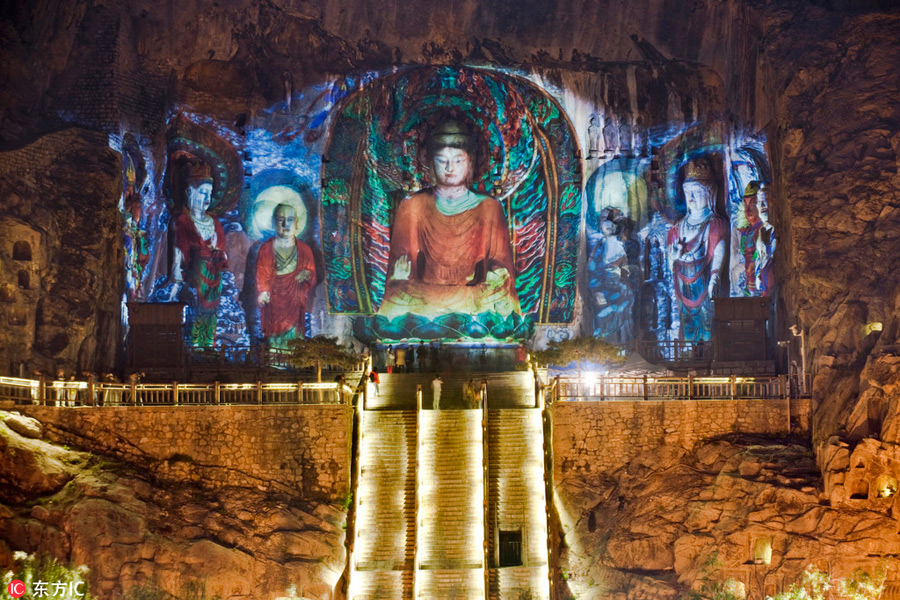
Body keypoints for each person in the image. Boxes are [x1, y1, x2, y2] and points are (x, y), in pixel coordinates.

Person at [377, 119, 520, 321]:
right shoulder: (412, 206)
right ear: (429, 163)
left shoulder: (490, 208)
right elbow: (397, 273)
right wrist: (398, 276)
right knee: (398, 298)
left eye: (458, 160)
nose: (450, 168)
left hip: (473, 296)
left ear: (471, 162)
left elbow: (500, 264)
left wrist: (498, 274)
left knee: (499, 299)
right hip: (423, 297)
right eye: (442, 160)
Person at [667, 157, 727, 342]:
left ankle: (709, 350)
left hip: (705, 282)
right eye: (687, 193)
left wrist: (715, 276)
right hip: (683, 283)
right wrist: (675, 256)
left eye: (696, 192)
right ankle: (687, 350)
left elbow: (719, 249)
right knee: (686, 321)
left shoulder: (714, 223)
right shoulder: (678, 227)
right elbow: (670, 261)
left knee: (707, 319)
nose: (691, 198)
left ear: (709, 193)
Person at [170, 172, 228, 347]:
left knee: (211, 313)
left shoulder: (215, 223)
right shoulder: (183, 220)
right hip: (194, 275)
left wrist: (217, 253)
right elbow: (178, 251)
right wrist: (176, 277)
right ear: (190, 192)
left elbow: (223, 254)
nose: (207, 198)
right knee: (195, 311)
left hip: (213, 275)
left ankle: (209, 344)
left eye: (209, 194)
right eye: (203, 192)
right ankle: (194, 347)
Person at [256, 203, 317, 348]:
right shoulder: (266, 248)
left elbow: (313, 276)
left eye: (290, 219)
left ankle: (293, 359)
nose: (285, 224)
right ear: (273, 222)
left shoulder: (304, 250)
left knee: (294, 338)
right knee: (274, 337)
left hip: (295, 301)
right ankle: (275, 359)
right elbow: (262, 274)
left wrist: (307, 275)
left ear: (297, 223)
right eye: (280, 219)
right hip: (274, 300)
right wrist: (263, 292)